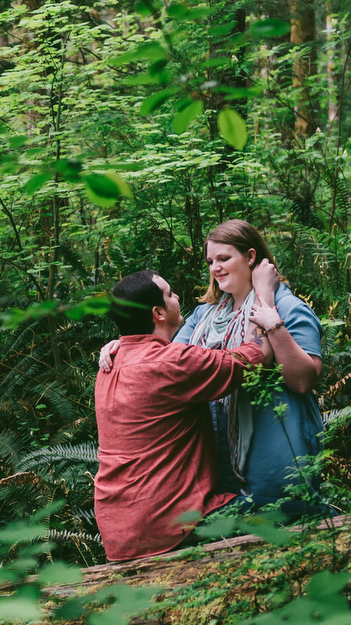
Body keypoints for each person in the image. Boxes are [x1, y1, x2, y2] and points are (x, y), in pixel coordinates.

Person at [100, 221, 326, 512]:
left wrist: (270, 318)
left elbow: (304, 381)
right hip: (218, 453)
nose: (214, 268)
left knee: (289, 527)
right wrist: (127, 344)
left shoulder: (287, 307)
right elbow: (165, 360)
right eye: (210, 261)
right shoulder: (202, 315)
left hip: (273, 444)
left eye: (223, 258)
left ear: (251, 257)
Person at [92, 268, 277, 561]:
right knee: (288, 516)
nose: (177, 297)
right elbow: (255, 356)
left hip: (119, 536)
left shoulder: (109, 366)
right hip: (172, 529)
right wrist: (265, 295)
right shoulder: (172, 363)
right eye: (170, 294)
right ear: (158, 313)